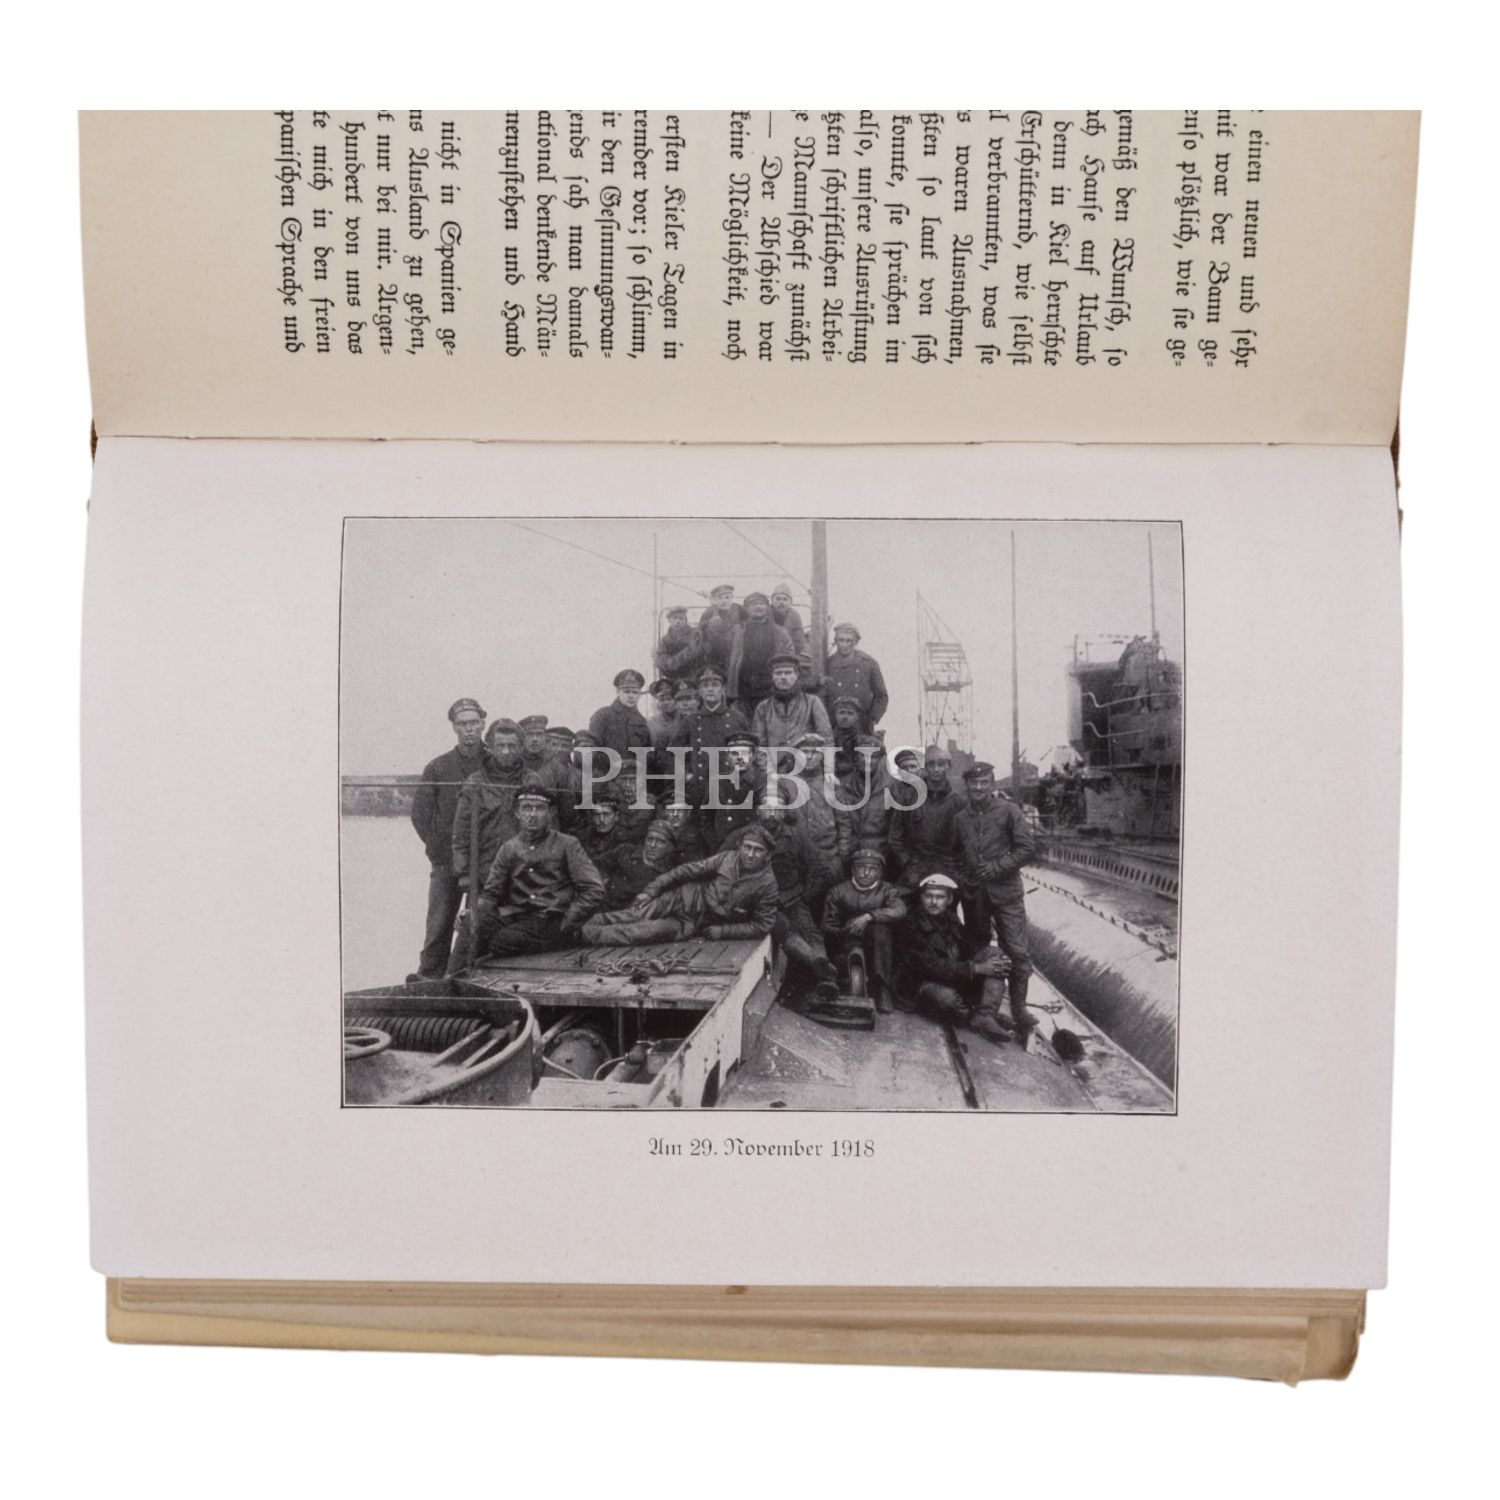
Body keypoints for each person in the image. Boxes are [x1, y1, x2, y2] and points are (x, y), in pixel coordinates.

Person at [582, 822, 780, 946]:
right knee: (634, 914)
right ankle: (584, 926)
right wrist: (650, 892)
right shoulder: (727, 858)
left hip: (693, 924)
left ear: (768, 855)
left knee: (645, 932)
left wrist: (723, 931)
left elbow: (762, 925)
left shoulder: (768, 885)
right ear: (740, 846)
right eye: (747, 847)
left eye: (757, 850)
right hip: (680, 898)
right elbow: (683, 871)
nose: (750, 854)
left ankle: (584, 936)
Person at [728, 787, 840, 1003]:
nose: (771, 814)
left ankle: (826, 978)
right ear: (757, 810)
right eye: (766, 808)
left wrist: (804, 896)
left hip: (791, 899)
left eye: (777, 809)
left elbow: (821, 869)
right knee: (781, 928)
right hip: (756, 903)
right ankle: (813, 967)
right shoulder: (741, 836)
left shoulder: (796, 835)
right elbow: (723, 866)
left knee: (811, 933)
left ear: (784, 812)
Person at [954, 760, 1039, 1039]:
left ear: (991, 784)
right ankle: (983, 1007)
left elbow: (1026, 848)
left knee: (1017, 951)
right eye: (974, 783)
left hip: (1006, 893)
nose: (978, 788)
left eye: (984, 783)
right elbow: (954, 855)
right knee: (979, 949)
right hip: (974, 894)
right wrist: (963, 879)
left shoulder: (1009, 811)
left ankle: (1019, 1008)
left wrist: (997, 867)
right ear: (967, 785)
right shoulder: (960, 818)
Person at [473, 783, 606, 957]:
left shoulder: (567, 844)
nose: (533, 814)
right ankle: (453, 972)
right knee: (472, 927)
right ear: (517, 813)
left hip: (550, 919)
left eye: (540, 808)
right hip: (516, 916)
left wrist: (568, 921)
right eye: (527, 808)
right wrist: (474, 913)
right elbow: (491, 893)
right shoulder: (509, 848)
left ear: (549, 813)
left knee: (501, 942)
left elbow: (594, 889)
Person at [408, 696, 487, 980]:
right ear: (454, 727)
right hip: (445, 862)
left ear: (483, 724)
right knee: (438, 926)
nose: (469, 729)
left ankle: (466, 978)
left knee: (478, 924)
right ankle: (429, 979)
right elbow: (420, 814)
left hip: (484, 861)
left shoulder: (493, 763)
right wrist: (438, 847)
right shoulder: (438, 767)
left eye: (474, 723)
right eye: (462, 724)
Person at [894, 873, 1012, 1028]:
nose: (933, 902)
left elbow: (966, 950)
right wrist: (976, 968)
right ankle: (970, 1016)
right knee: (947, 999)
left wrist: (992, 963)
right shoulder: (911, 923)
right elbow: (930, 966)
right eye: (928, 896)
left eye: (940, 897)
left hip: (950, 978)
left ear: (949, 900)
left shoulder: (951, 919)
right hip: (920, 984)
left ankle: (985, 1014)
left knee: (995, 954)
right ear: (921, 897)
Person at [822, 844, 908, 1012]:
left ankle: (882, 989)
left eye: (872, 869)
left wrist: (869, 917)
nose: (866, 873)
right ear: (853, 869)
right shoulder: (838, 891)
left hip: (877, 952)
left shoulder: (887, 890)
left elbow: (900, 910)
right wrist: (846, 931)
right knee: (842, 964)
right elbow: (827, 926)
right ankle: (840, 980)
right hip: (846, 944)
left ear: (880, 872)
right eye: (861, 867)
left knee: (880, 930)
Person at [889, 743, 964, 893]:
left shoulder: (959, 801)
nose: (936, 769)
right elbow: (895, 834)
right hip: (916, 865)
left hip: (947, 866)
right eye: (931, 765)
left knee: (949, 903)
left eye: (941, 764)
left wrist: (956, 865)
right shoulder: (909, 797)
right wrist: (906, 861)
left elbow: (966, 837)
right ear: (925, 768)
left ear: (949, 766)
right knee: (901, 901)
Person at [670, 664, 749, 807]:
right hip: (700, 788)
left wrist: (741, 777)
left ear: (723, 689)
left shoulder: (737, 718)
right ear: (700, 691)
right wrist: (687, 775)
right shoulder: (691, 721)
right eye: (705, 686)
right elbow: (674, 753)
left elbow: (748, 752)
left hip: (731, 787)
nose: (710, 689)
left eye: (715, 685)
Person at [588, 667, 653, 820]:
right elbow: (593, 750)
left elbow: (648, 753)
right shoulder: (602, 716)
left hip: (633, 784)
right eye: (626, 691)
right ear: (617, 692)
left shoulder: (642, 722)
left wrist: (636, 764)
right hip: (606, 781)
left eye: (635, 692)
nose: (631, 696)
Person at [790, 732, 843, 922]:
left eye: (815, 752)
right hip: (799, 859)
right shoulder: (788, 784)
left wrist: (841, 855)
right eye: (805, 752)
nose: (810, 757)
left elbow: (844, 822)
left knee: (831, 911)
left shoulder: (831, 783)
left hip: (829, 855)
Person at [751, 652, 833, 770]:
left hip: (806, 770)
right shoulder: (763, 708)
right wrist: (769, 772)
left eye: (788, 672)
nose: (783, 677)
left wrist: (828, 770)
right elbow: (759, 746)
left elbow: (827, 740)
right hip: (775, 771)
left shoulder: (812, 702)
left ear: (796, 675)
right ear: (772, 676)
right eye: (778, 673)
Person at [726, 592, 794, 714]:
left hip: (770, 687)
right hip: (744, 687)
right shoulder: (737, 631)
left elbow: (790, 657)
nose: (758, 607)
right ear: (747, 608)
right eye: (754, 604)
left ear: (767, 608)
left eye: (761, 604)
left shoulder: (780, 632)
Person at [819, 622, 889, 730]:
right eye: (841, 640)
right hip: (834, 724)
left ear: (856, 642)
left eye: (849, 641)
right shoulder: (828, 664)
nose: (845, 645)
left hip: (862, 724)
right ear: (836, 641)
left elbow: (881, 695)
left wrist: (873, 718)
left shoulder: (868, 664)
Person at [598, 820, 680, 909]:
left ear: (670, 847)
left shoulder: (669, 874)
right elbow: (595, 863)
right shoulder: (625, 851)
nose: (652, 845)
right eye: (650, 839)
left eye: (660, 841)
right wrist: (602, 880)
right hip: (601, 902)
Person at [706, 728, 763, 847]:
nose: (739, 758)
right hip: (719, 847)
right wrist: (713, 844)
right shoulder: (718, 782)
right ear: (728, 756)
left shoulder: (761, 782)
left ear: (753, 755)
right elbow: (705, 817)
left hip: (749, 847)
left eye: (744, 753)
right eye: (734, 754)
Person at [698, 584, 746, 674]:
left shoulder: (740, 610)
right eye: (720, 598)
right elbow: (701, 634)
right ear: (714, 600)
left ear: (732, 598)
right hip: (716, 655)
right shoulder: (708, 613)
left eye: (727, 597)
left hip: (736, 654)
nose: (724, 601)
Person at [654, 605, 705, 683]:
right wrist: (668, 664)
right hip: (672, 677)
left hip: (692, 676)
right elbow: (660, 657)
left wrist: (672, 663)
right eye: (674, 618)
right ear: (669, 620)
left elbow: (691, 651)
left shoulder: (695, 634)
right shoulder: (665, 640)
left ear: (685, 620)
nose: (677, 621)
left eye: (681, 618)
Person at [769, 583, 808, 664]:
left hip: (788, 656)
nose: (781, 602)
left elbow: (799, 641)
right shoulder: (766, 614)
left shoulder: (794, 616)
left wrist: (798, 658)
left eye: (785, 599)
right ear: (772, 601)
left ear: (790, 602)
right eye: (778, 599)